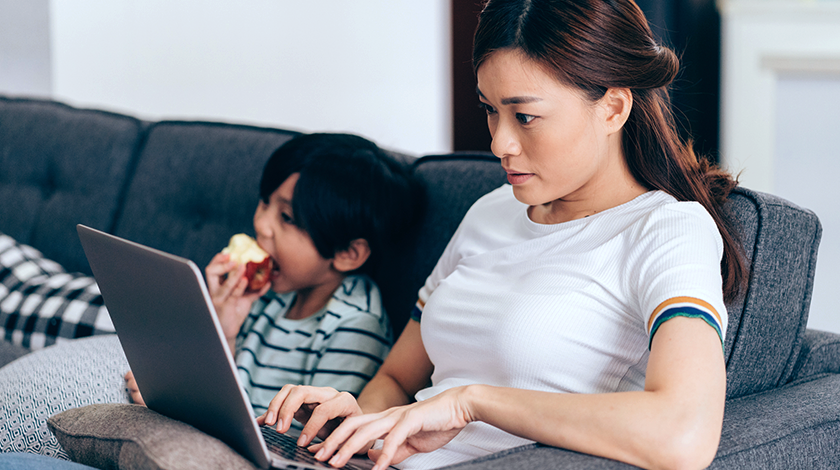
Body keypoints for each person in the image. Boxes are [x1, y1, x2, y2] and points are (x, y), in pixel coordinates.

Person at [257, 1, 747, 470]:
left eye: (525, 116)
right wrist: (356, 426)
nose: (499, 143)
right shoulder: (490, 211)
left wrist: (471, 403)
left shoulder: (666, 229)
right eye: (491, 110)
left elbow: (685, 434)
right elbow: (395, 377)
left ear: (614, 108)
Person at [126, 133, 420, 416]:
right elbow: (228, 388)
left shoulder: (355, 325)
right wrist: (222, 327)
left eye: (287, 218)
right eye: (265, 201)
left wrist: (185, 404)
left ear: (347, 253)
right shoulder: (270, 293)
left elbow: (307, 440)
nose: (262, 225)